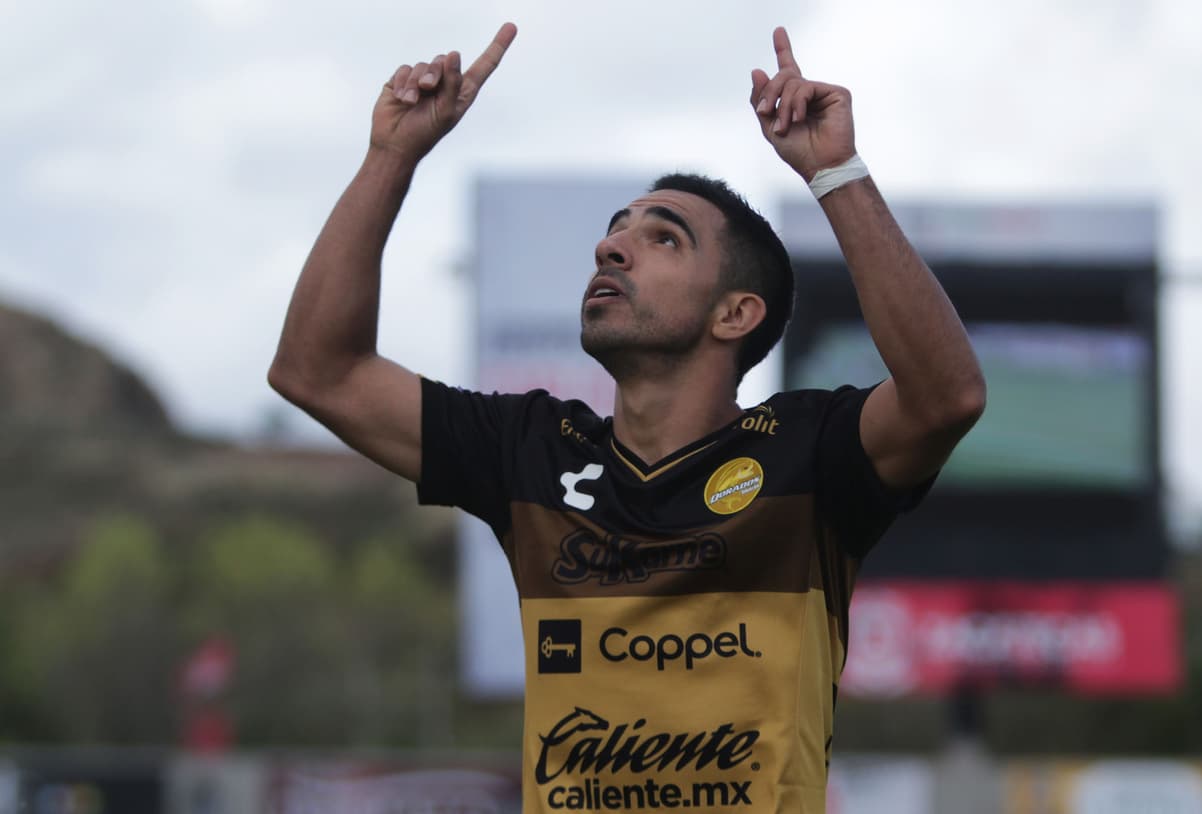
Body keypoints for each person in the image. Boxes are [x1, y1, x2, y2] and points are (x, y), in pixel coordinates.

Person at [269, 22, 985, 813]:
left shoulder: (808, 457)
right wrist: (391, 157)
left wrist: (835, 172)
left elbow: (945, 396)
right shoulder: (532, 452)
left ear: (735, 313)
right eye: (614, 231)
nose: (612, 249)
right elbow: (317, 371)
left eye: (661, 239)